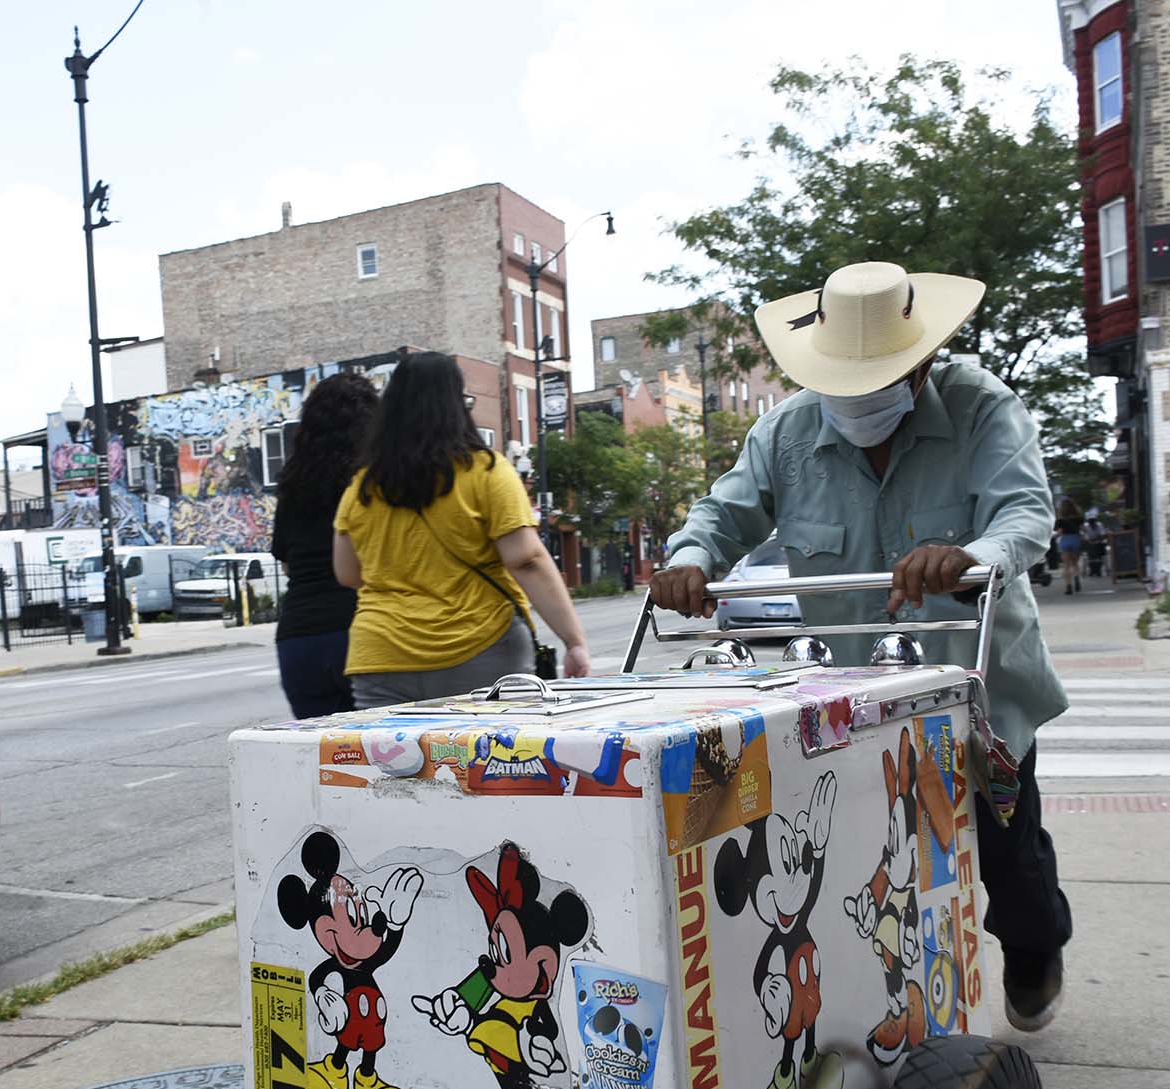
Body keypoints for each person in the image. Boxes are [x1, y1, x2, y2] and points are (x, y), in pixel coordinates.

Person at [648, 261, 1072, 1032]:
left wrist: (971, 554)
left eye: (878, 382)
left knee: (1011, 859)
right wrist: (690, 559)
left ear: (923, 367)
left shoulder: (982, 408)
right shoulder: (787, 433)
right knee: (859, 862)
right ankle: (880, 997)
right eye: (844, 383)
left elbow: (1024, 512)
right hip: (851, 698)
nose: (857, 401)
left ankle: (1036, 945)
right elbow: (724, 510)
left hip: (976, 685)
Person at [333, 351, 591, 705]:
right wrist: (573, 641)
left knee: (393, 760)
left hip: (381, 653)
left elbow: (347, 572)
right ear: (458, 404)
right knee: (493, 759)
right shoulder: (487, 472)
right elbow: (526, 560)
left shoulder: (363, 486)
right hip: (480, 648)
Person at [270, 372, 380, 718]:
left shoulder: (293, 482)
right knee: (378, 761)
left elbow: (287, 561)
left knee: (321, 759)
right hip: (362, 629)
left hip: (299, 637)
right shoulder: (374, 481)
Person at [1054, 496, 1086, 595]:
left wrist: (1054, 537)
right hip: (1075, 539)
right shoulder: (1079, 518)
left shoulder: (1060, 520)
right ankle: (1076, 579)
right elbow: (1082, 530)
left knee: (1066, 566)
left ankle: (1068, 587)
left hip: (1065, 540)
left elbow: (1059, 532)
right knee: (1075, 564)